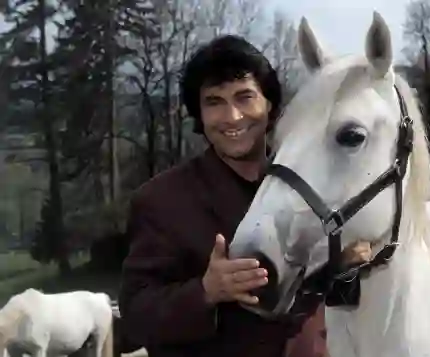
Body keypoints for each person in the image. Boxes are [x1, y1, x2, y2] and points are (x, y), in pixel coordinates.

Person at [118, 34, 371, 357]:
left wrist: (338, 265)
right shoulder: (160, 202)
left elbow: (307, 297)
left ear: (269, 104)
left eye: (244, 97)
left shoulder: (312, 189)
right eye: (214, 102)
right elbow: (136, 318)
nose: (232, 116)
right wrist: (206, 292)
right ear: (199, 113)